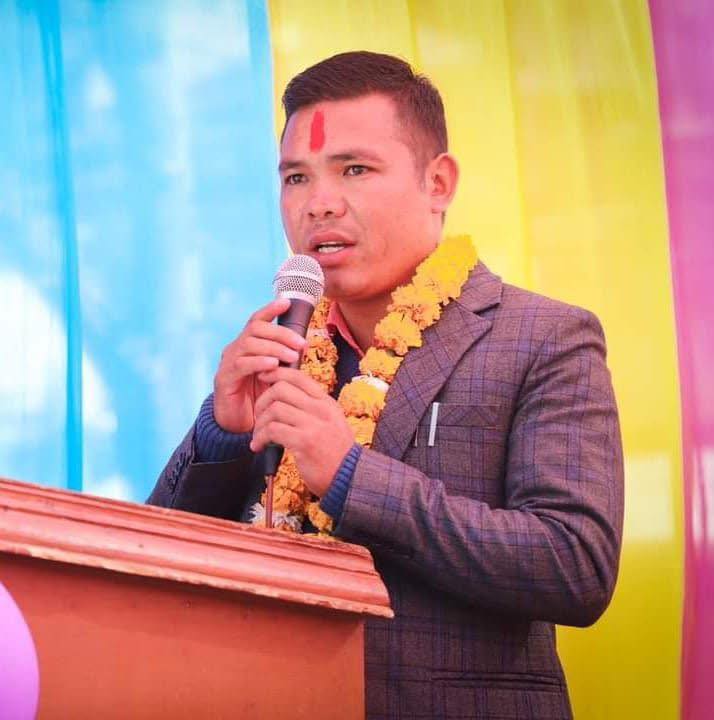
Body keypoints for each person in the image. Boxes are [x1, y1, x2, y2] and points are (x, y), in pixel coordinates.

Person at [148, 51, 624, 720]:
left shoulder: (544, 338)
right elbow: (155, 564)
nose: (319, 203)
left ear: (438, 182)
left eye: (355, 169)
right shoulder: (281, 355)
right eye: (296, 177)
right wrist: (222, 434)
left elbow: (574, 565)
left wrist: (349, 476)